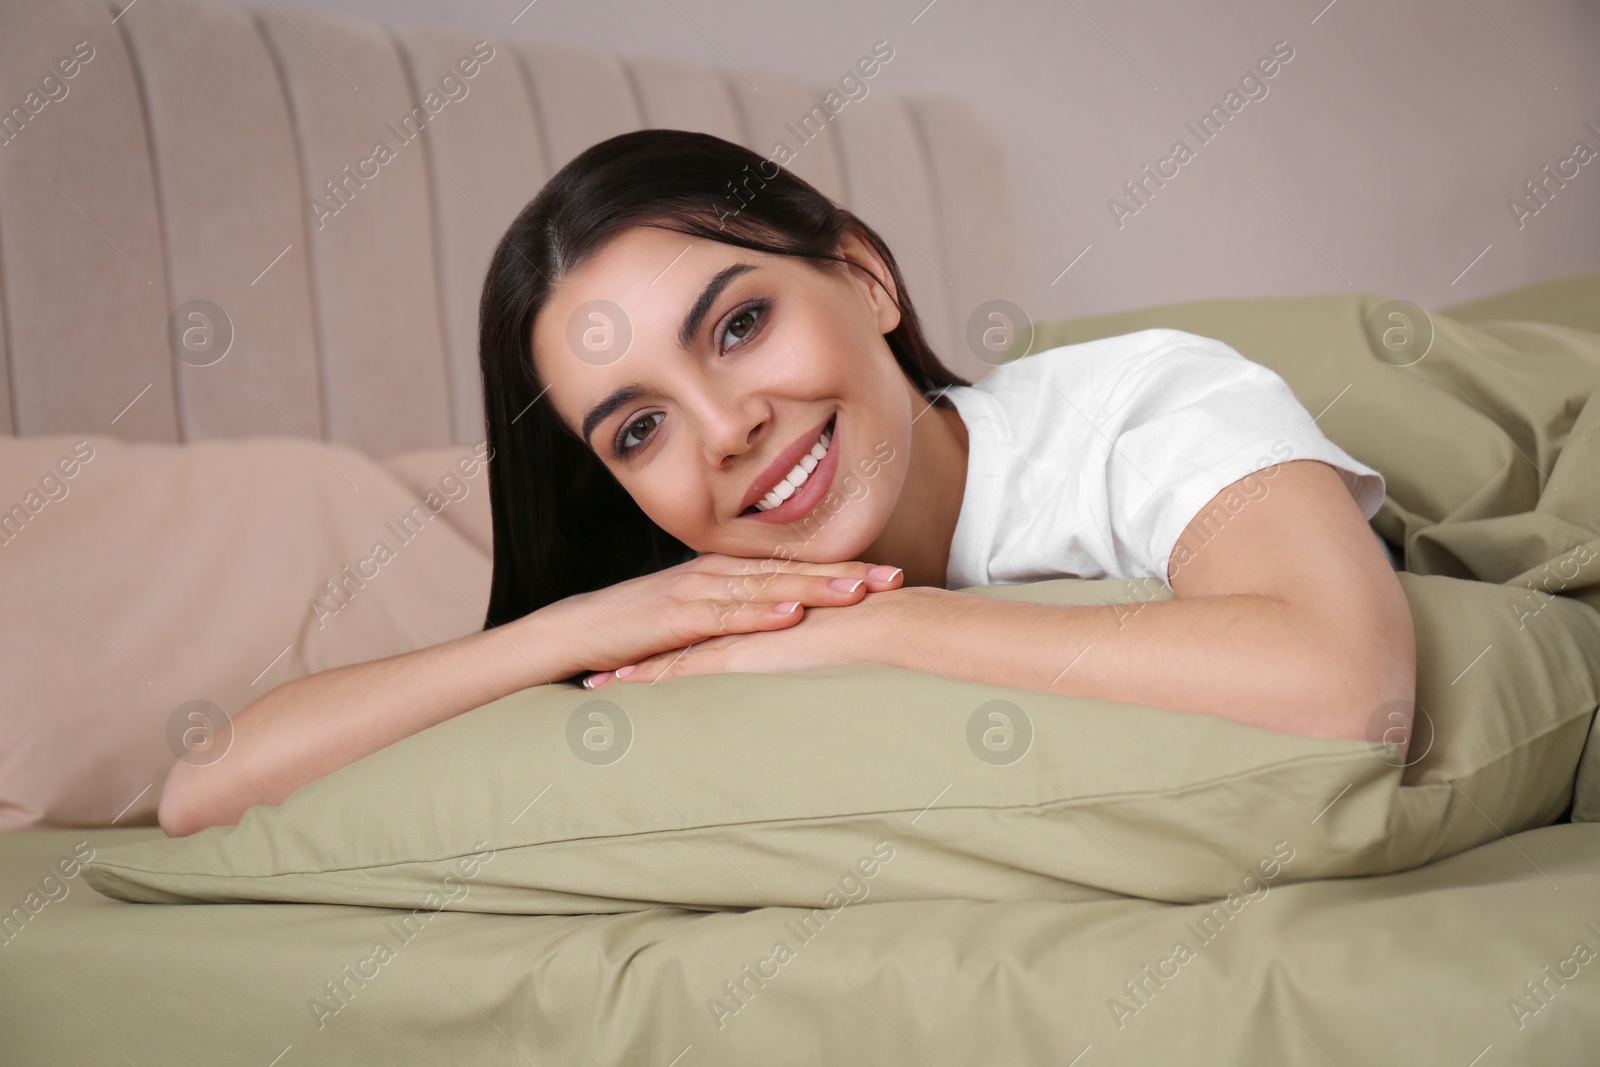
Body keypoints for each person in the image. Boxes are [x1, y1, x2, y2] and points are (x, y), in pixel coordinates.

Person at [157, 129, 1414, 837]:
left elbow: (1343, 684)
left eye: (739, 323)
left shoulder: (1134, 405)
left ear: (864, 279)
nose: (723, 428)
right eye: (637, 426)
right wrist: (574, 627)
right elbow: (201, 791)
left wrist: (889, 625)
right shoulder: (696, 602)